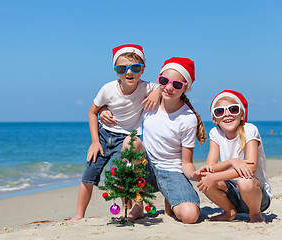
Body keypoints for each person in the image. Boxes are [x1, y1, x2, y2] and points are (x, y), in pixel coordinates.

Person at [100, 57, 207, 223]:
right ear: (159, 80)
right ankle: (137, 205)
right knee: (131, 141)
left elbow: (186, 163)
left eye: (177, 85)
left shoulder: (188, 118)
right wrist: (103, 110)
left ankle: (170, 197)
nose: (169, 88)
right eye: (164, 81)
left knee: (190, 216)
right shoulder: (149, 102)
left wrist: (196, 175)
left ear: (186, 88)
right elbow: (122, 102)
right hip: (145, 168)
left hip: (172, 172)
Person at [71, 44, 161, 222]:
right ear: (116, 71)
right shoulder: (108, 89)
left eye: (135, 67)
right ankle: (79, 215)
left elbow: (163, 87)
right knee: (88, 175)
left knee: (121, 174)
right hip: (104, 136)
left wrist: (157, 93)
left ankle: (128, 209)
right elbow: (92, 112)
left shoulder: (146, 87)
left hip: (126, 139)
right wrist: (95, 142)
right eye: (122, 68)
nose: (129, 72)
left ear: (142, 69)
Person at [196, 90, 272, 223]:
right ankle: (229, 211)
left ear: (241, 115)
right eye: (220, 111)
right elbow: (211, 167)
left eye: (233, 109)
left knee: (244, 181)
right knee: (205, 177)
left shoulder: (250, 129)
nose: (227, 114)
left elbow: (251, 167)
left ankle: (255, 214)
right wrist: (232, 161)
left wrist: (214, 177)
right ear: (215, 119)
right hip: (233, 195)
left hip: (257, 196)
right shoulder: (216, 133)